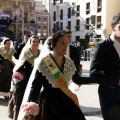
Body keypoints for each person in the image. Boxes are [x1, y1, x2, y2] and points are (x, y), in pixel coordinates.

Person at [20, 31, 86, 120]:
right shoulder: (44, 63)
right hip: (48, 103)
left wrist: (96, 79)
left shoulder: (69, 62)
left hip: (66, 100)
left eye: (66, 43)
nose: (65, 45)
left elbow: (76, 79)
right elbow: (35, 87)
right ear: (53, 44)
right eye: (62, 43)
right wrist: (31, 103)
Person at [89, 13, 120, 120]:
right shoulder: (102, 46)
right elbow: (94, 74)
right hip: (109, 96)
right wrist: (116, 81)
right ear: (113, 27)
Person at [11, 35, 41, 120]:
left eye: (37, 42)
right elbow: (19, 66)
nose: (35, 43)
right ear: (30, 43)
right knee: (23, 98)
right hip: (26, 79)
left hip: (37, 78)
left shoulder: (41, 52)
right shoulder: (26, 52)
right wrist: (19, 76)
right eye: (33, 42)